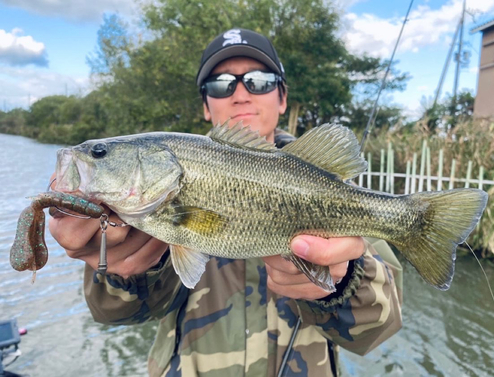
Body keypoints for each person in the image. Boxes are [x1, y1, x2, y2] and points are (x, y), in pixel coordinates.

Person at [49, 28, 403, 377]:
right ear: (206, 105)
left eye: (260, 80)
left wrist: (341, 281)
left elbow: (380, 327)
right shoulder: (130, 214)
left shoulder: (331, 185)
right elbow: (113, 314)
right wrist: (120, 269)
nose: (240, 95)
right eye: (221, 84)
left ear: (282, 97)